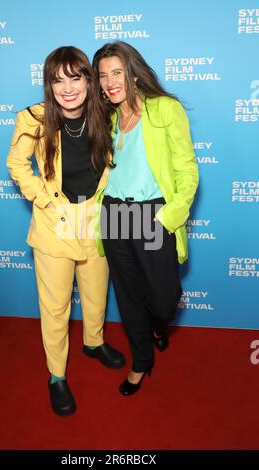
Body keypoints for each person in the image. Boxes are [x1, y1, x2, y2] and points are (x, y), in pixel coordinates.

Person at [7, 46, 125, 416]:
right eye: (58, 80)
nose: (68, 88)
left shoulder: (108, 116)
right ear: (49, 85)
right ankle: (56, 376)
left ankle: (94, 342)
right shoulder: (35, 119)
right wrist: (43, 200)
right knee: (55, 307)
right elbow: (16, 164)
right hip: (54, 225)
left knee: (95, 291)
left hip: (96, 219)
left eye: (76, 77)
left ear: (90, 81)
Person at [92, 41, 199, 396]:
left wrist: (169, 216)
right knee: (128, 297)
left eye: (117, 72)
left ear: (134, 73)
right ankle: (141, 362)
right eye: (103, 75)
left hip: (152, 215)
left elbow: (187, 171)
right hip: (116, 216)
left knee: (164, 300)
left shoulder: (165, 110)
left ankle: (158, 325)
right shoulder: (107, 119)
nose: (110, 82)